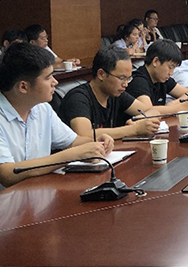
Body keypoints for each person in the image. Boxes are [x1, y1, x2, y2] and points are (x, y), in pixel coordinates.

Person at [0, 43, 113, 188]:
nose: (55, 82)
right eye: (48, 77)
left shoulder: (42, 109)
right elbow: (8, 174)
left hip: (39, 193)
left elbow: (72, 141)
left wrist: (97, 142)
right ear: (23, 86)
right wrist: (71, 155)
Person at [59, 47, 161, 140]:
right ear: (101, 74)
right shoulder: (78, 98)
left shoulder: (116, 94)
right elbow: (84, 134)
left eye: (128, 78)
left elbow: (152, 111)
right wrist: (134, 129)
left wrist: (139, 120)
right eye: (121, 78)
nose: (125, 84)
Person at [125, 40, 188, 111]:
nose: (171, 73)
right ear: (155, 61)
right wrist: (181, 107)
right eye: (170, 67)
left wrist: (173, 103)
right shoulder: (138, 81)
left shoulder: (162, 78)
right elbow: (148, 111)